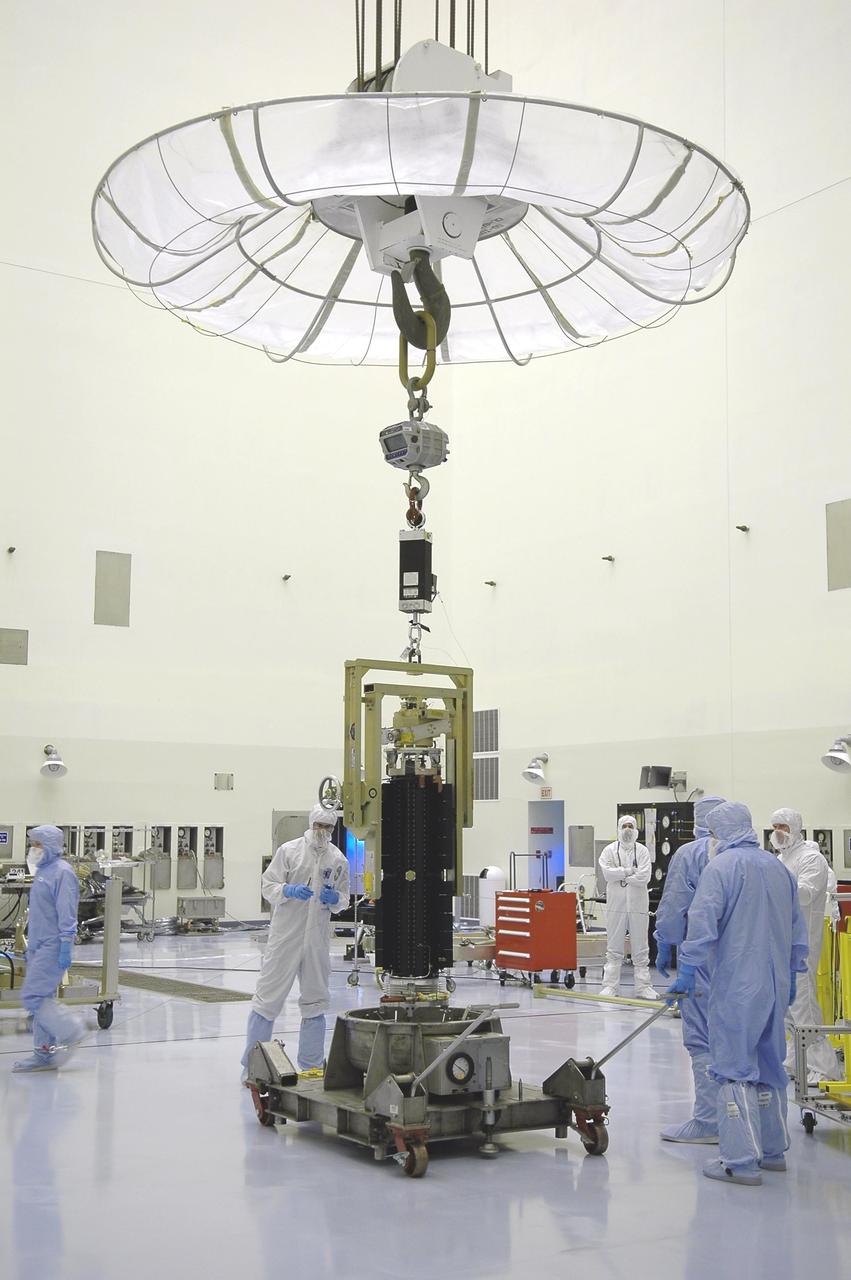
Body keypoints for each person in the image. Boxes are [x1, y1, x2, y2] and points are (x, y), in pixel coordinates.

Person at [666, 802, 808, 1186]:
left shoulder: (720, 869)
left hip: (738, 986)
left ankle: (739, 1160)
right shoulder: (778, 868)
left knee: (733, 1066)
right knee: (769, 1064)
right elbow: (798, 929)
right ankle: (774, 1151)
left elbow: (702, 923)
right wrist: (794, 973)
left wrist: (688, 969)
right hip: (776, 984)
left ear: (719, 834)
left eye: (710, 834)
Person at [242, 805, 350, 1081]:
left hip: (316, 941)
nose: (322, 832)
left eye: (328, 828)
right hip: (285, 937)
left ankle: (312, 1066)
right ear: (311, 824)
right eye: (319, 826)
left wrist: (333, 899)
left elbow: (344, 899)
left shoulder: (338, 860)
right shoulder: (289, 851)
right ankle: (253, 1065)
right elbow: (268, 884)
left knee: (315, 1000)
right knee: (268, 999)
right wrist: (287, 890)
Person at [654, 794, 725, 1143]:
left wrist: (665, 941)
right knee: (743, 1038)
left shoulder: (692, 854)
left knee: (702, 1036)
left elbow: (676, 904)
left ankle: (709, 1121)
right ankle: (756, 1129)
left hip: (702, 957)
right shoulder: (756, 859)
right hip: (747, 961)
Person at [770, 808, 839, 1083]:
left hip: (802, 943)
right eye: (774, 826)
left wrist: (774, 885)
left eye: (783, 826)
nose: (778, 832)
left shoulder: (812, 859)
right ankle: (795, 1059)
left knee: (804, 1005)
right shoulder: (780, 859)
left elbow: (807, 894)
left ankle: (825, 1069)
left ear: (796, 828)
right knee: (787, 1006)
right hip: (781, 942)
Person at [13, 825, 85, 1073]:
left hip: (54, 944)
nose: (33, 849)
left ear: (51, 845)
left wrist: (66, 944)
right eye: (32, 843)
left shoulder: (62, 873)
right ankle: (43, 1054)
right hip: (39, 943)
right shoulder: (44, 870)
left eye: (38, 844)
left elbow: (67, 912)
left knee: (32, 997)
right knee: (43, 997)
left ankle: (71, 1030)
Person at [598, 815, 657, 1000]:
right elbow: (607, 874)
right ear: (618, 828)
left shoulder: (643, 851)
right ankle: (610, 986)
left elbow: (645, 877)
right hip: (616, 904)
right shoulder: (608, 851)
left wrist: (622, 876)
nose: (628, 829)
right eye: (624, 826)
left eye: (631, 826)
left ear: (636, 829)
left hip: (638, 904)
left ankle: (643, 986)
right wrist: (630, 871)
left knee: (641, 945)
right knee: (614, 945)